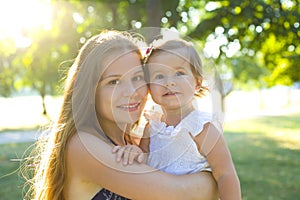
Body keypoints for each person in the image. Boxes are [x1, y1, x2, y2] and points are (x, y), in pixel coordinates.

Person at [23, 30, 218, 200]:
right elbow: (180, 194)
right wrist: (216, 175)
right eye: (114, 82)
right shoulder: (83, 146)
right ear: (90, 91)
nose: (131, 91)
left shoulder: (134, 145)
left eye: (137, 78)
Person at [113, 37, 242, 199]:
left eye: (179, 73)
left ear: (197, 82)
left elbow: (225, 174)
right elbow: (145, 159)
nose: (169, 82)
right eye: (159, 76)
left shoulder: (201, 127)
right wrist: (135, 152)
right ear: (149, 88)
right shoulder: (152, 126)